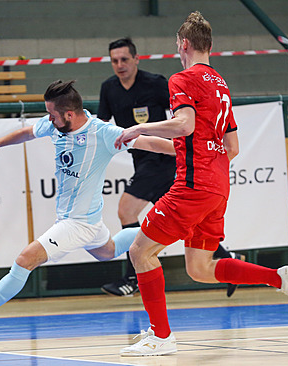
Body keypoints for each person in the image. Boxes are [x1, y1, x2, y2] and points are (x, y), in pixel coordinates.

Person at [115, 12, 288, 357]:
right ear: (211, 45)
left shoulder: (182, 79)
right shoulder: (221, 85)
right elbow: (229, 147)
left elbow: (184, 126)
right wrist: (136, 140)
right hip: (217, 186)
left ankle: (160, 336)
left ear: (184, 45)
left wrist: (142, 128)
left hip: (192, 187)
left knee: (140, 251)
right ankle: (282, 277)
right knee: (200, 268)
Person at [0, 80, 176, 329]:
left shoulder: (102, 133)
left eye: (53, 115)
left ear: (70, 114)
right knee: (108, 251)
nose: (49, 119)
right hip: (87, 221)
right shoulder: (56, 126)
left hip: (76, 224)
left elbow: (152, 143)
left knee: (25, 259)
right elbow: (28, 132)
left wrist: (191, 151)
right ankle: (166, 229)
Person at [97, 37, 243, 298]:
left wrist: (147, 129)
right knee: (188, 220)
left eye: (124, 60)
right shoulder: (108, 88)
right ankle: (227, 258)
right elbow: (103, 122)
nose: (120, 65)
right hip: (142, 158)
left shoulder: (156, 83)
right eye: (114, 61)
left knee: (126, 210)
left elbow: (185, 118)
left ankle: (132, 276)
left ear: (136, 59)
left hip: (165, 158)